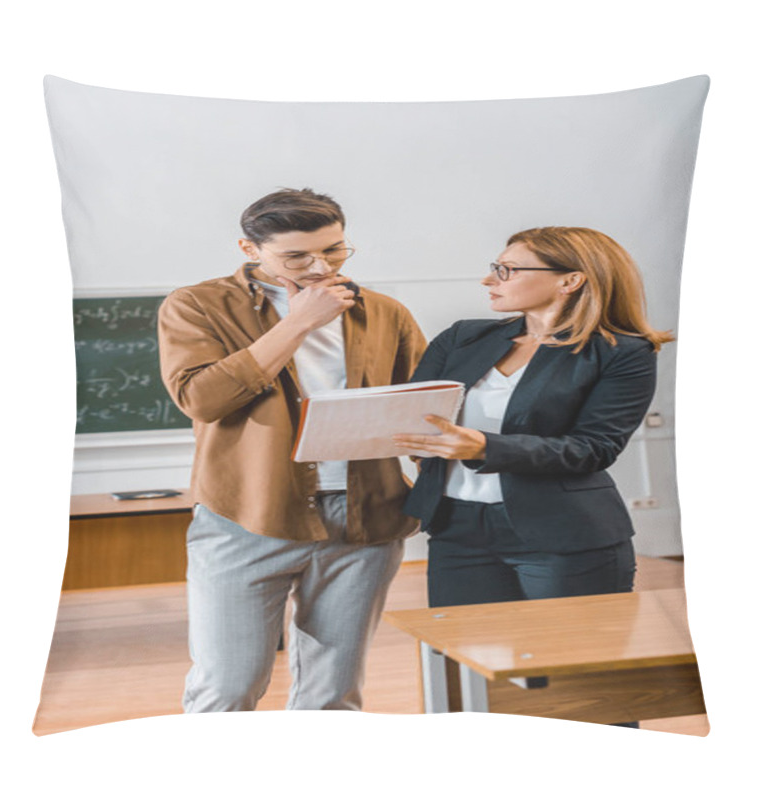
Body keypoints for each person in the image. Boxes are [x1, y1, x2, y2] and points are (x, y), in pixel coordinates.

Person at [158, 188, 426, 712]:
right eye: (297, 256)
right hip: (246, 515)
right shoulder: (196, 305)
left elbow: (420, 406)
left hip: (364, 519)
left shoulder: (385, 312)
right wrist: (298, 322)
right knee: (226, 688)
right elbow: (201, 399)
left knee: (333, 696)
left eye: (334, 250)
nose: (320, 266)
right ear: (249, 247)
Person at [392, 226, 672, 614]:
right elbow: (413, 414)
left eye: (508, 270)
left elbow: (594, 448)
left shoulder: (622, 352)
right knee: (464, 657)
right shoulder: (461, 338)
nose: (489, 280)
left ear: (570, 280)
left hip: (564, 533)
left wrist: (484, 447)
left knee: (571, 661)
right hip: (457, 526)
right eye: (495, 268)